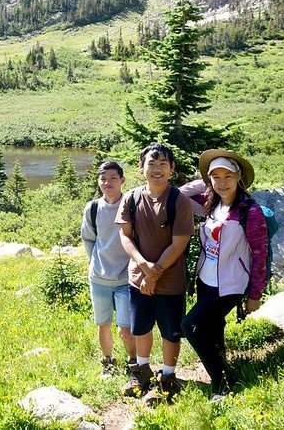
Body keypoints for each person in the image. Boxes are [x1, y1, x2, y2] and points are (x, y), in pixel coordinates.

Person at [180, 149, 268, 402]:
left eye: (227, 175)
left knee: (191, 326)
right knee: (214, 328)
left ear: (239, 176)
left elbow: (260, 254)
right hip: (206, 280)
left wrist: (255, 294)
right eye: (215, 177)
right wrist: (207, 182)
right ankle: (223, 368)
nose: (222, 182)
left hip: (231, 284)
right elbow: (181, 195)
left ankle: (222, 383)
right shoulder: (211, 203)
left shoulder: (249, 211)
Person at [117, 143, 194, 404]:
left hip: (170, 281)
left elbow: (179, 243)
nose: (157, 169)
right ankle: (142, 372)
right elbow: (125, 236)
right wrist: (143, 267)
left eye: (163, 164)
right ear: (141, 168)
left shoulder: (179, 202)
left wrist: (155, 272)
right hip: (138, 279)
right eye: (151, 164)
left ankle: (169, 377)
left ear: (171, 169)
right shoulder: (131, 198)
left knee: (170, 330)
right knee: (140, 327)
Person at [81, 160, 136, 383]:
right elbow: (88, 239)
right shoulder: (92, 208)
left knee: (125, 328)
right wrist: (96, 263)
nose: (108, 183)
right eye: (103, 179)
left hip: (125, 278)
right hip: (99, 278)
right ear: (98, 181)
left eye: (113, 178)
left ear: (122, 180)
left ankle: (134, 363)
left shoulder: (131, 204)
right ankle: (108, 361)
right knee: (103, 324)